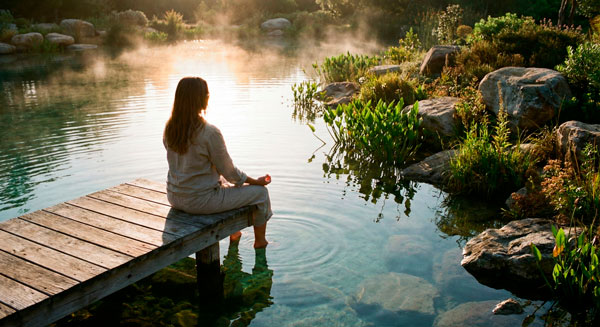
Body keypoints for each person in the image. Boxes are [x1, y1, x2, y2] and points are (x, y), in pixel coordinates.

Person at [163, 77, 272, 248]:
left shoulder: (170, 128)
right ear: (201, 99)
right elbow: (231, 173)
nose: (208, 97)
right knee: (260, 194)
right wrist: (256, 182)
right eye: (206, 94)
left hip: (174, 197)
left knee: (225, 183)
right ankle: (260, 242)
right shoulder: (209, 132)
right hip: (200, 201)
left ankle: (234, 233)